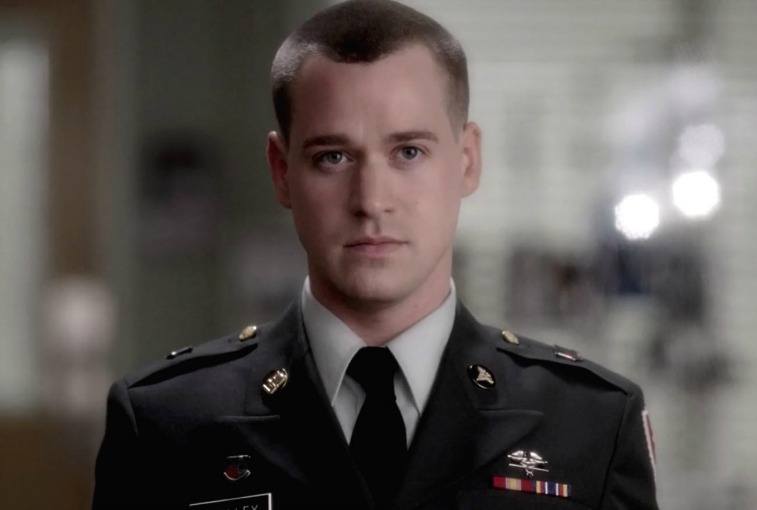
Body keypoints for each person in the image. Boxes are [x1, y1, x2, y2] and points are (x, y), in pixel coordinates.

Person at [93, 1, 659, 509]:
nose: (371, 201)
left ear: (467, 161)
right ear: (281, 172)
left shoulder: (590, 423)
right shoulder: (167, 421)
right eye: (333, 157)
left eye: (408, 152)